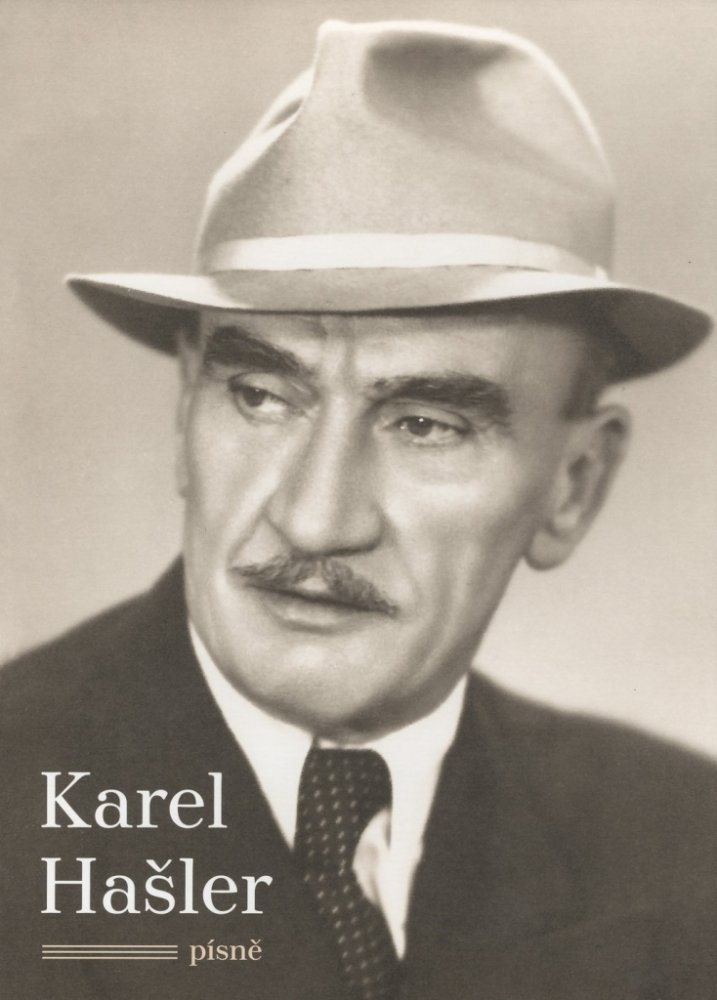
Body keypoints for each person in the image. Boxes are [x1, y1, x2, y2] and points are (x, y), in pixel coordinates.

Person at [1, 19, 715, 1000]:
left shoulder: (686, 853)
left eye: (425, 423)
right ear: (184, 409)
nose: (313, 519)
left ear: (574, 486)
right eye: (261, 396)